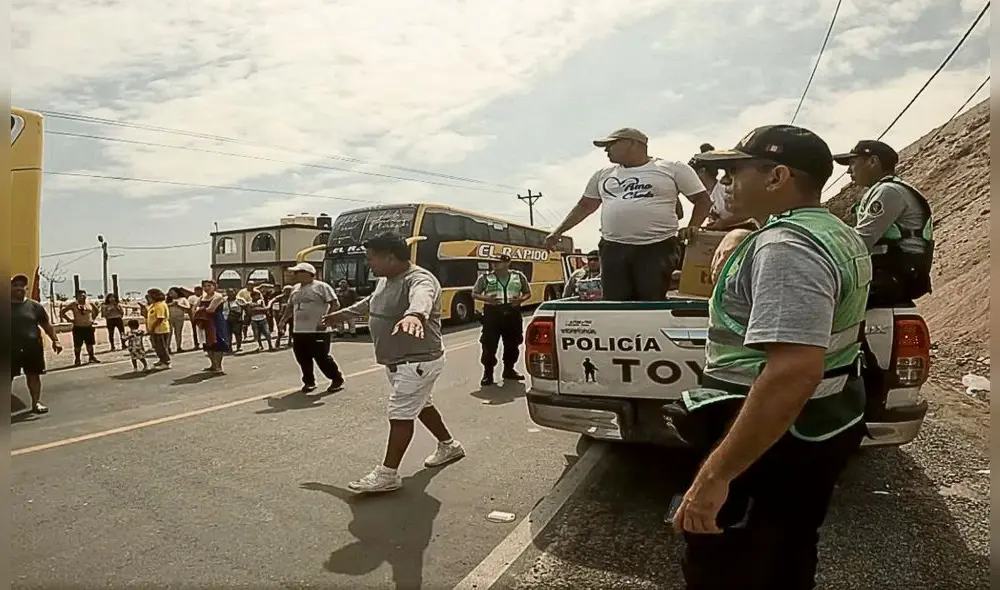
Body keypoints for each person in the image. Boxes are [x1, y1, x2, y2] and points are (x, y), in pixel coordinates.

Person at [675, 124, 871, 589]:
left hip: (772, 436)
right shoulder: (832, 232)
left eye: (734, 171)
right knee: (788, 550)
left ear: (777, 176)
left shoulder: (785, 248)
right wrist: (743, 229)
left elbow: (792, 371)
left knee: (728, 563)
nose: (724, 183)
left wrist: (715, 478)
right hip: (820, 424)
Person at [322, 233, 464, 493]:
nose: (369, 264)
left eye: (371, 258)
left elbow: (422, 297)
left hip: (417, 362)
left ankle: (388, 474)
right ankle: (449, 445)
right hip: (400, 362)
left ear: (389, 256)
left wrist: (414, 315)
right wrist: (341, 315)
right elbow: (371, 303)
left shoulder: (419, 279)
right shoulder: (386, 279)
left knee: (400, 414)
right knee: (421, 405)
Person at [544, 127, 712, 301]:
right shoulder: (603, 175)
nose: (606, 150)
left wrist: (693, 226)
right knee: (614, 302)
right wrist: (558, 232)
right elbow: (585, 206)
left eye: (611, 144)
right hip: (613, 248)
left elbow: (703, 201)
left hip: (657, 247)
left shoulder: (672, 168)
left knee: (651, 300)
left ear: (632, 143)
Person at [833, 140, 934, 307]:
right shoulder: (885, 189)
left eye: (852, 163)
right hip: (894, 273)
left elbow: (860, 242)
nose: (849, 171)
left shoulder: (888, 191)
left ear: (872, 162)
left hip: (893, 275)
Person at [278, 262, 345, 395]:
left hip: (317, 330)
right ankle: (309, 382)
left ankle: (336, 379)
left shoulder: (321, 287)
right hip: (299, 330)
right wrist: (282, 321)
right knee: (302, 358)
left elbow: (335, 303)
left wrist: (327, 319)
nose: (295, 275)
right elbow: (290, 307)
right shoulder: (295, 289)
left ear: (308, 274)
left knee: (321, 357)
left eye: (298, 272)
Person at [472, 254, 531, 386]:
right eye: (493, 262)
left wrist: (521, 299)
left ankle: (509, 370)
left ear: (507, 263)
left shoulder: (518, 276)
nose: (494, 264)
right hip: (492, 314)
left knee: (513, 344)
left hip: (512, 313)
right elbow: (474, 293)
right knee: (489, 345)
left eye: (497, 262)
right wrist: (487, 299)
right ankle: (488, 374)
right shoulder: (485, 278)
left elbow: (527, 292)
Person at [11, 274, 62, 414]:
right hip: (9, 349)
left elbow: (46, 325)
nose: (19, 288)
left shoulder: (34, 306)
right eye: (15, 285)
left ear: (26, 288)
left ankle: (36, 403)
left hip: (32, 348)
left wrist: (55, 340)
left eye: (22, 286)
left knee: (33, 376)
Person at [691, 143, 759, 232]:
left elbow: (751, 211)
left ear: (702, 172)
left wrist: (724, 222)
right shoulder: (706, 196)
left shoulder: (726, 189)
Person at [194, 279, 228, 373]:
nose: (207, 288)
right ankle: (213, 364)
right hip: (205, 322)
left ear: (214, 286)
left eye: (209, 286)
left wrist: (199, 309)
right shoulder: (203, 297)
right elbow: (194, 307)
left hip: (216, 321)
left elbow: (211, 309)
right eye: (205, 286)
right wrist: (200, 309)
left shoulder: (217, 296)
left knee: (217, 342)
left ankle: (218, 366)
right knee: (207, 344)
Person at [60, 290, 100, 366]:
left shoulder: (89, 304)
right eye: (80, 296)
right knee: (78, 345)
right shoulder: (73, 305)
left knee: (90, 344)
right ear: (77, 296)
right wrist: (70, 320)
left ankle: (91, 357)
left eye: (84, 295)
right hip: (78, 327)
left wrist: (92, 319)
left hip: (88, 327)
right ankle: (77, 359)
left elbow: (97, 311)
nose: (82, 297)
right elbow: (62, 312)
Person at [145, 288, 172, 368]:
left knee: (161, 346)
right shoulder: (153, 305)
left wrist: (153, 328)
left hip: (160, 329)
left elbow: (160, 318)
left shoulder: (160, 305)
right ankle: (161, 359)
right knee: (156, 346)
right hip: (155, 330)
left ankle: (166, 362)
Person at [166, 288, 189, 353]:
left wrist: (178, 305)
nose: (171, 294)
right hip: (169, 318)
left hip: (179, 318)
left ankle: (179, 347)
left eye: (173, 292)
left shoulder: (183, 299)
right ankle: (168, 347)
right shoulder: (167, 300)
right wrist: (170, 304)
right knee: (169, 333)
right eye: (170, 293)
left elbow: (188, 307)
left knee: (178, 333)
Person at [186, 285, 204, 349]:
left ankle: (204, 342)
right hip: (195, 316)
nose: (199, 292)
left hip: (202, 316)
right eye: (197, 291)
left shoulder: (204, 297)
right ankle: (196, 344)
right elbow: (189, 308)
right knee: (195, 331)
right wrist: (191, 316)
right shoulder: (191, 298)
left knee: (203, 330)